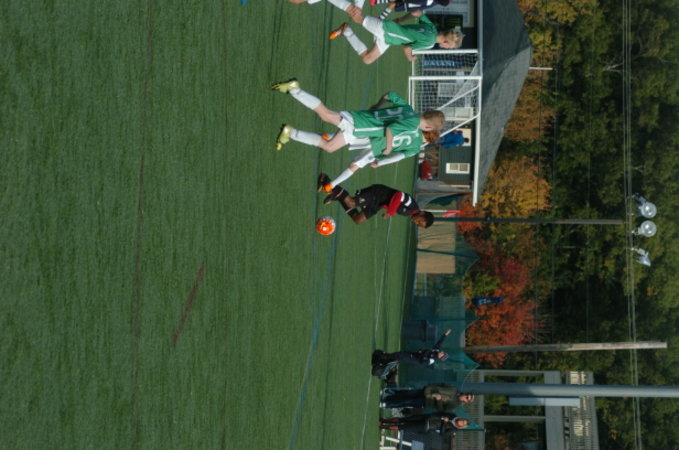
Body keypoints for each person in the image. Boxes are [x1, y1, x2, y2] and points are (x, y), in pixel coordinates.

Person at [271, 78, 444, 189]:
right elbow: (391, 129)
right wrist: (388, 148)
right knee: (325, 114)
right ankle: (294, 89)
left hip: (361, 127)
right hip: (360, 125)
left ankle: (290, 133)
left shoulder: (408, 109)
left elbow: (389, 94)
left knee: (330, 147)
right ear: (429, 128)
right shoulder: (413, 125)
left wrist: (377, 106)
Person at [326, 5, 464, 64]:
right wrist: (410, 58)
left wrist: (402, 19)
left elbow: (418, 12)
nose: (447, 48)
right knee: (357, 17)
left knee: (368, 59)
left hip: (389, 39)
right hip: (386, 30)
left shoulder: (433, 28)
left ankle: (346, 30)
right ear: (446, 43)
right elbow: (407, 48)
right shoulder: (429, 43)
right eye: (450, 47)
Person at [321, 181, 434, 228]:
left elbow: (390, 204)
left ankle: (338, 196)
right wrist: (390, 212)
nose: (417, 223)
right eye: (420, 222)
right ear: (422, 213)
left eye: (419, 225)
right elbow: (399, 195)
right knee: (351, 203)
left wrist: (383, 208)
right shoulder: (412, 205)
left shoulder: (408, 213)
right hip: (377, 194)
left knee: (358, 220)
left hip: (378, 204)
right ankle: (327, 181)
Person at [372, 328, 452, 369]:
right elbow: (440, 342)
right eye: (443, 352)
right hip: (414, 354)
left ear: (441, 357)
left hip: (413, 358)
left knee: (399, 355)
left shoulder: (432, 360)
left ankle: (379, 358)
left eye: (442, 354)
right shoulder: (436, 350)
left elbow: (422, 363)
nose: (442, 352)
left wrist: (423, 353)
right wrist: (445, 334)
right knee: (397, 355)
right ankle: (382, 360)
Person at [380, 383, 474, 411]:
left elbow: (442, 409)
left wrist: (439, 400)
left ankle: (387, 404)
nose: (466, 396)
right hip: (427, 391)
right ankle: (390, 395)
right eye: (467, 395)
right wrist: (430, 386)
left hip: (427, 401)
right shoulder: (454, 389)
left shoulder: (455, 405)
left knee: (407, 402)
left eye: (467, 398)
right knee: (407, 393)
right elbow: (441, 384)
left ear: (466, 401)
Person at [380, 413, 468, 433]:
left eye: (463, 423)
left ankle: (382, 426)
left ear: (462, 426)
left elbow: (442, 433)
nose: (461, 422)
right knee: (404, 419)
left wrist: (444, 423)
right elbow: (441, 412)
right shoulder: (453, 415)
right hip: (427, 417)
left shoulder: (453, 429)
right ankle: (384, 420)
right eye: (463, 420)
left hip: (426, 426)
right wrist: (433, 415)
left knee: (404, 427)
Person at [372, 0, 451, 21]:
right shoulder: (433, 2)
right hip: (410, 4)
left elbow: (419, 2)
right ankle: (380, 18)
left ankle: (379, 18)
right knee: (392, 4)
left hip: (409, 3)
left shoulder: (430, 1)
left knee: (393, 3)